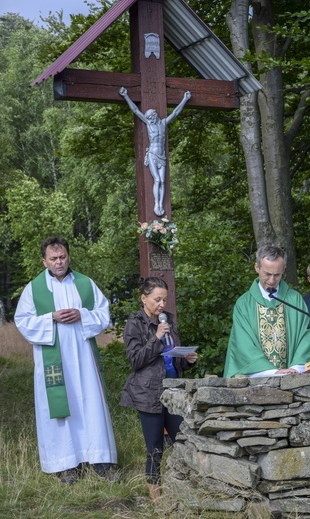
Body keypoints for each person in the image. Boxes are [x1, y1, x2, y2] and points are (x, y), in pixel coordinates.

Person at [14, 237, 117, 484]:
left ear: (69, 257)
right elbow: (23, 321)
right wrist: (51, 317)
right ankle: (67, 464)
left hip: (83, 355)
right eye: (53, 259)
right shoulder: (33, 289)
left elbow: (103, 314)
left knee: (90, 403)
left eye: (62, 257)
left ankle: (100, 460)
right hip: (54, 360)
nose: (59, 262)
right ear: (44, 261)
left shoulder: (85, 283)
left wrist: (81, 314)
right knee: (61, 408)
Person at [120, 277, 197, 502]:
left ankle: (184, 491)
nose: (162, 304)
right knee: (155, 448)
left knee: (182, 441)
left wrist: (187, 360)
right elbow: (136, 360)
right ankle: (157, 499)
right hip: (148, 393)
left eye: (164, 299)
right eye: (157, 299)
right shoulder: (134, 323)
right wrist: (156, 337)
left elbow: (172, 359)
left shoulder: (168, 322)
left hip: (173, 392)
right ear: (144, 298)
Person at [223, 245, 310, 378]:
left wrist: (294, 368)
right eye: (267, 274)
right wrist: (272, 371)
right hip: (257, 377)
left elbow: (306, 336)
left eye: (277, 275)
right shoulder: (244, 304)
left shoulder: (294, 299)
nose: (272, 280)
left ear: (284, 270)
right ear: (257, 268)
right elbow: (243, 344)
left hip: (292, 377)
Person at [119, 87, 191, 217]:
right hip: (152, 154)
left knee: (162, 181)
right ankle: (157, 204)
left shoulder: (163, 123)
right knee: (157, 180)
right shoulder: (148, 125)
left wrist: (184, 99)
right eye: (149, 118)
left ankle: (161, 205)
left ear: (154, 116)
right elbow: (135, 110)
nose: (150, 119)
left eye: (151, 117)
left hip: (162, 155)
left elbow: (175, 113)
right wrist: (126, 96)